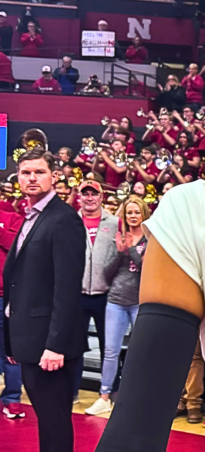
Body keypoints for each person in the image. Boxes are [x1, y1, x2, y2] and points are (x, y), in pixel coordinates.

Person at [3, 148, 87, 452]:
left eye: (39, 172)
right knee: (47, 419)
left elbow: (66, 288)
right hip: (28, 338)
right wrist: (12, 342)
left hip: (49, 345)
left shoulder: (63, 220)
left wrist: (56, 345)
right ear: (18, 178)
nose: (32, 178)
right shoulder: (30, 217)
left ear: (54, 176)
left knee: (54, 421)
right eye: (26, 172)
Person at [84, 197, 148, 416]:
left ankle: (137, 396)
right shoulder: (119, 237)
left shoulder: (151, 239)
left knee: (139, 352)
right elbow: (107, 272)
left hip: (139, 302)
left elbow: (147, 271)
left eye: (136, 212)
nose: (132, 216)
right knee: (110, 351)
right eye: (129, 212)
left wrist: (130, 251)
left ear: (143, 214)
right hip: (116, 301)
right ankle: (104, 397)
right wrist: (120, 251)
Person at [72, 180, 119, 400]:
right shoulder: (70, 222)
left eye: (94, 194)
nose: (89, 198)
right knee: (73, 345)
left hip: (106, 295)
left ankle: (111, 392)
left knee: (109, 346)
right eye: (85, 194)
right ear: (79, 197)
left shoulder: (116, 222)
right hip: (77, 295)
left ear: (102, 197)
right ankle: (72, 391)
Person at [0, 203, 24, 419]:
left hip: (6, 296)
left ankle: (13, 399)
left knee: (12, 352)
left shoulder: (12, 218)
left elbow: (15, 247)